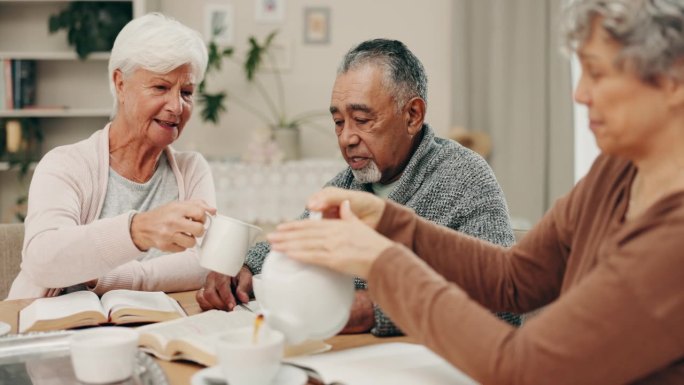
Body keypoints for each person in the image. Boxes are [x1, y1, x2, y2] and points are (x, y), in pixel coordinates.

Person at [268, 0, 684, 383]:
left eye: (596, 72)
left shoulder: (672, 241)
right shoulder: (616, 171)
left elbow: (523, 366)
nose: (580, 94)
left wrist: (384, 261)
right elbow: (513, 278)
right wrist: (392, 223)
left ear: (673, 79)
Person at [197, 39, 521, 335]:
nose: (346, 138)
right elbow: (297, 235)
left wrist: (374, 310)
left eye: (362, 120)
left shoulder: (466, 178)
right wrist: (247, 268)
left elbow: (501, 306)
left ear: (412, 115)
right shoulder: (348, 182)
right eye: (339, 122)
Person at [8, 13, 216, 300]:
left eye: (187, 92)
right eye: (160, 87)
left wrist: (115, 277)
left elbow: (204, 262)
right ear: (120, 84)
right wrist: (137, 231)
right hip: (59, 330)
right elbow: (43, 259)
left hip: (158, 331)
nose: (177, 106)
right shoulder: (65, 165)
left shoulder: (191, 169)